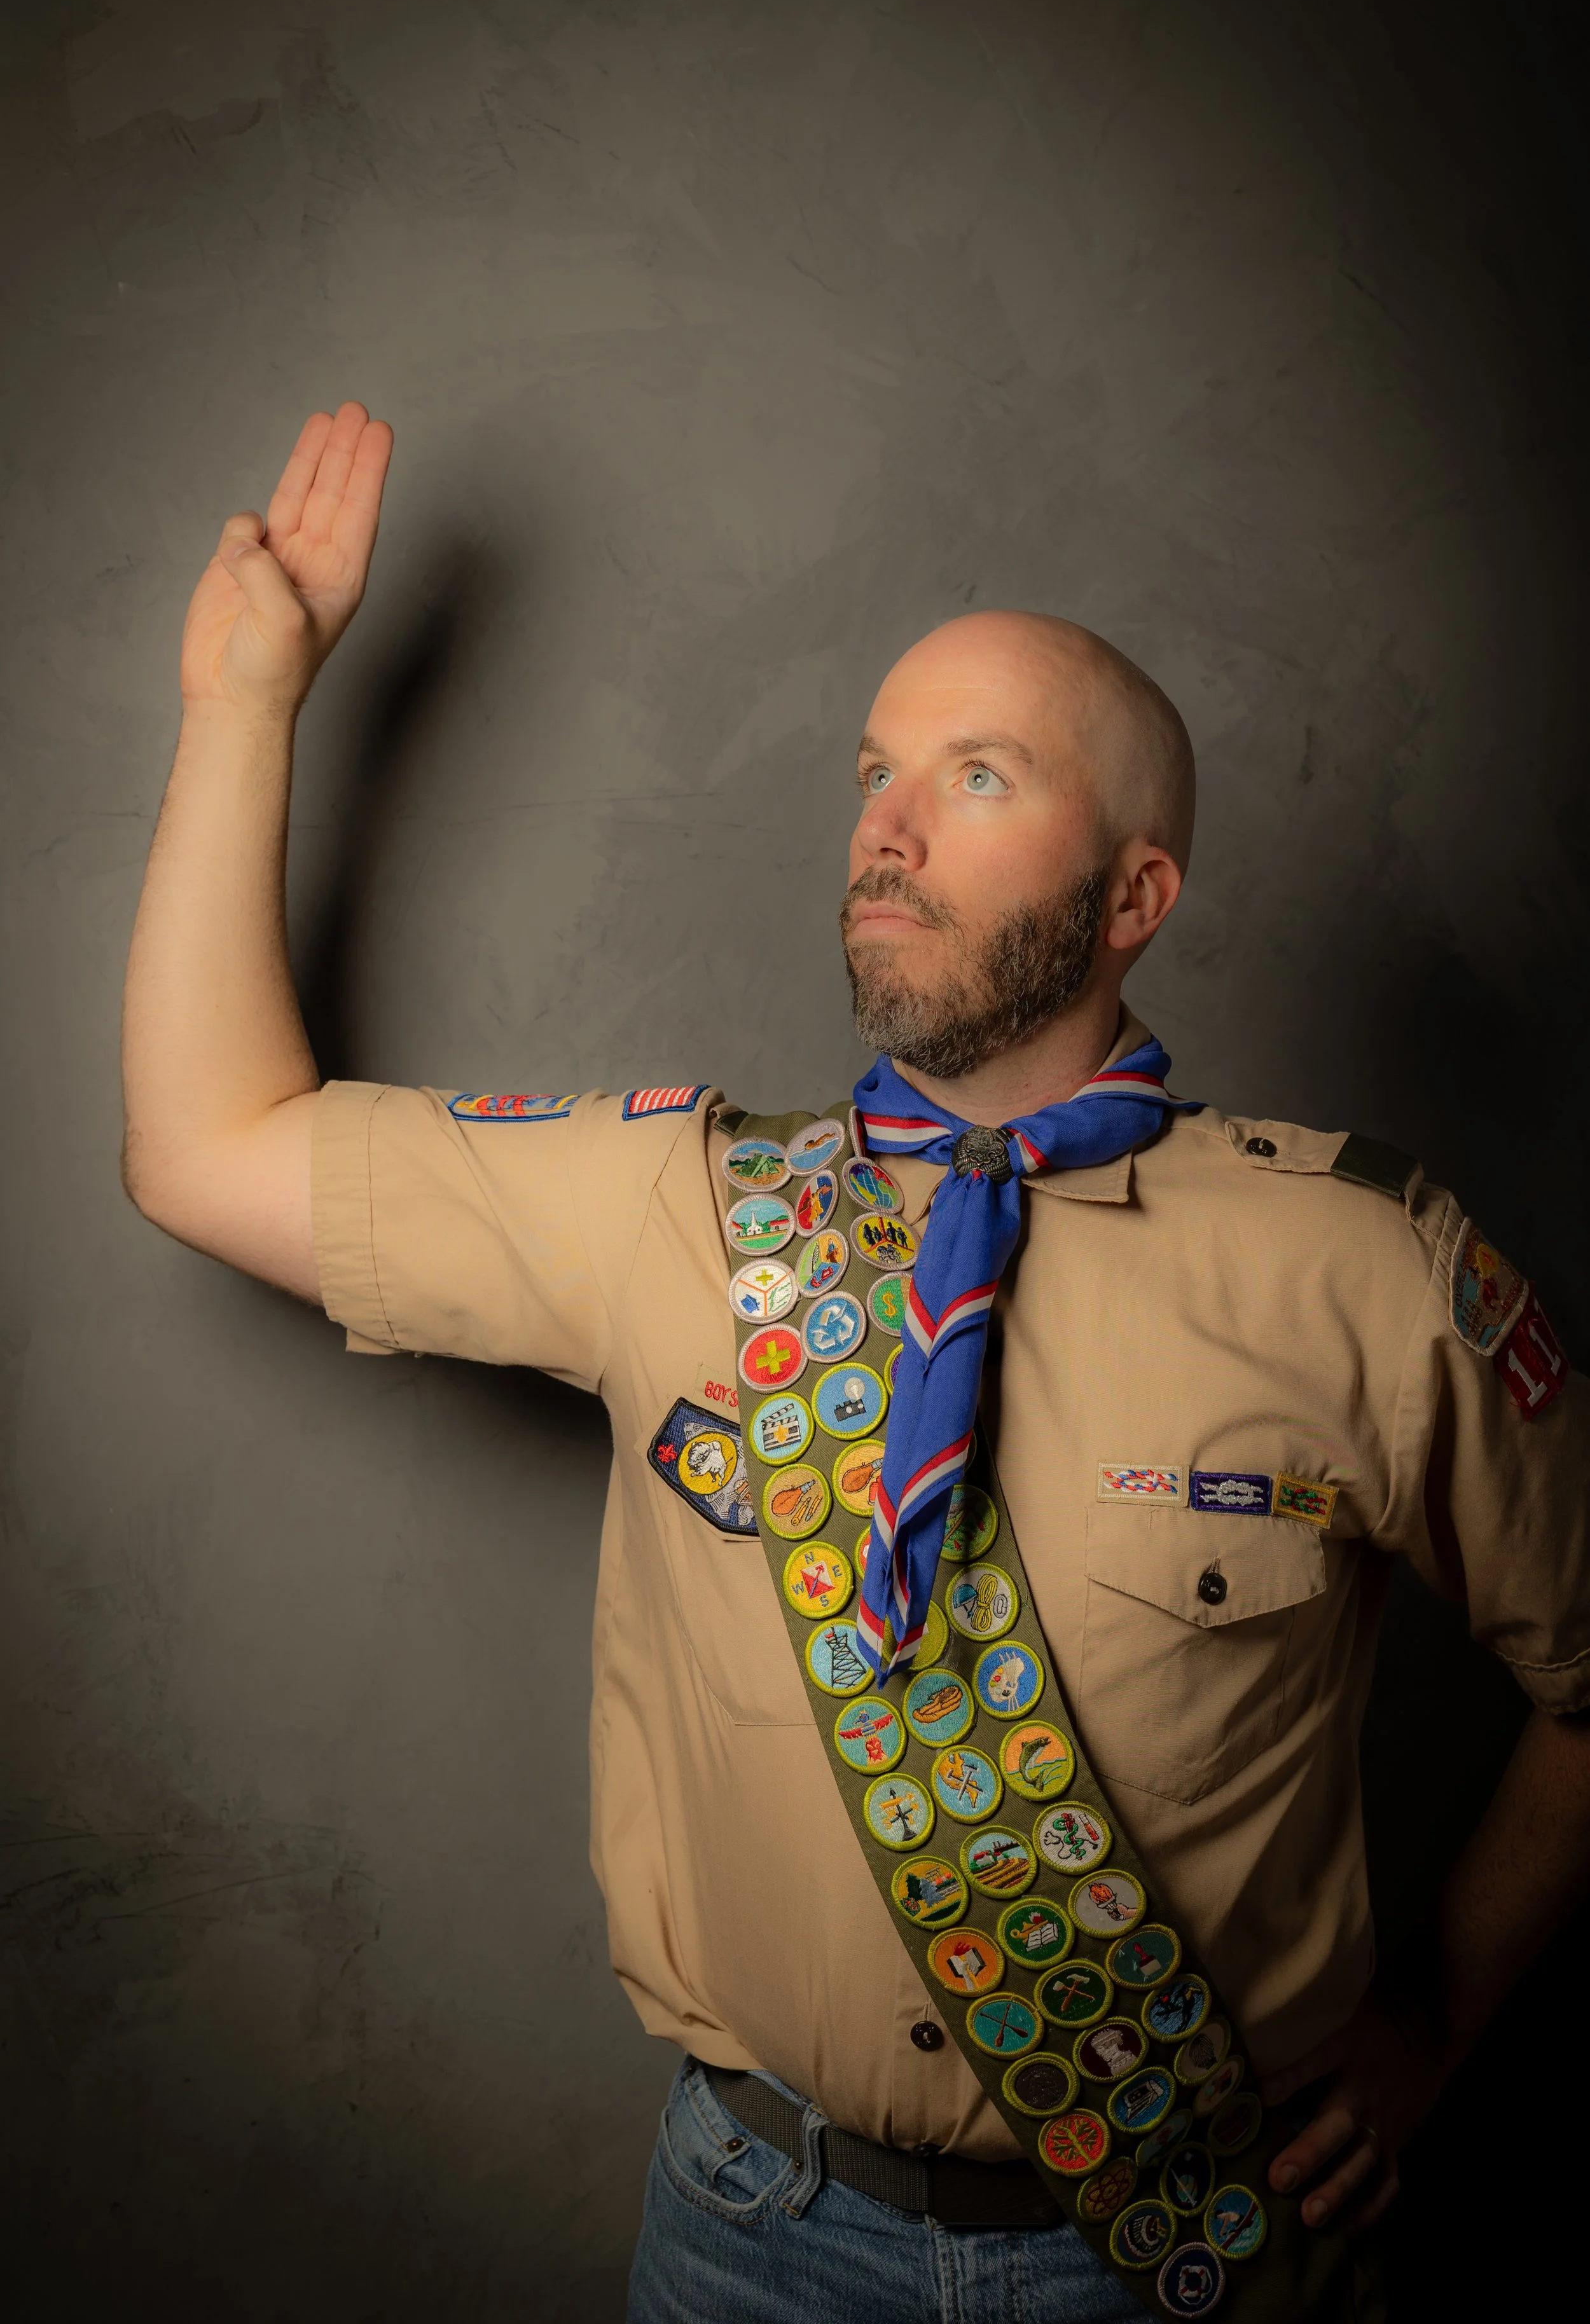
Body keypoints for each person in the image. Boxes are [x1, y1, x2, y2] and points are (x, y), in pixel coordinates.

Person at [122, 402, 1590, 2324]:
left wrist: (1430, 2023)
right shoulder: (679, 1205)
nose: (881, 825)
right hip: (756, 2233)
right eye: (875, 769)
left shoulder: (1365, 1265)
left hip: (1170, 2253)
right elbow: (208, 1145)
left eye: (974, 774)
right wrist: (246, 704)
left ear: (1136, 896)